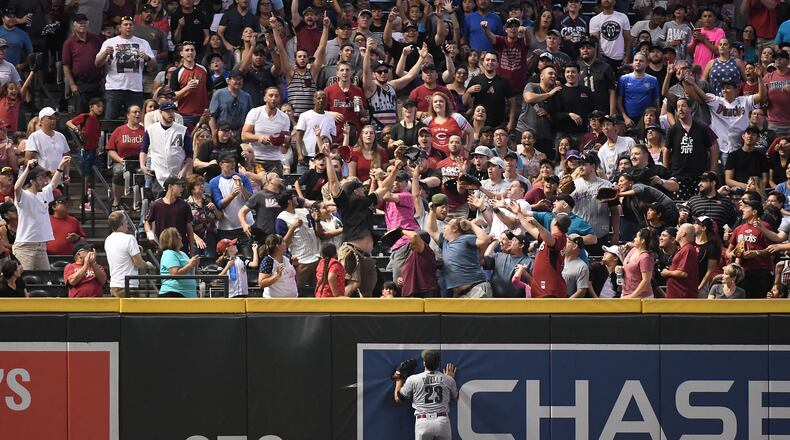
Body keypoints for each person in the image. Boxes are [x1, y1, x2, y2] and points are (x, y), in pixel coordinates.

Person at [322, 142, 400, 297]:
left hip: (366, 255)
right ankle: (337, 310)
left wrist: (396, 170)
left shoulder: (365, 202)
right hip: (351, 250)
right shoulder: (344, 202)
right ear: (354, 191)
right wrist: (328, 159)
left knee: (368, 290)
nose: (363, 188)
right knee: (353, 285)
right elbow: (332, 182)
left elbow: (383, 188)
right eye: (360, 187)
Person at [95, 15, 157, 120]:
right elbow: (97, 63)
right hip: (114, 88)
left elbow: (154, 65)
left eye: (130, 25)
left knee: (135, 120)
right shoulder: (110, 42)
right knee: (110, 119)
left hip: (134, 88)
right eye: (125, 24)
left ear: (134, 27)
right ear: (119, 28)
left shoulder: (143, 43)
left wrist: (147, 58)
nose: (128, 27)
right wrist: (105, 53)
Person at [13, 157, 69, 270]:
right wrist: (28, 169)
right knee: (25, 278)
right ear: (32, 181)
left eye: (44, 178)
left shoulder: (43, 194)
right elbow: (16, 188)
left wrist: (61, 166)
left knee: (46, 279)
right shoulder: (24, 195)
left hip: (41, 245)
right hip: (25, 245)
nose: (44, 181)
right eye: (41, 178)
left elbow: (53, 184)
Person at [393, 350, 458, 440]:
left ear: (424, 363)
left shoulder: (413, 379)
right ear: (438, 363)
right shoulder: (448, 379)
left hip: (423, 422)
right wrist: (450, 379)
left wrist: (398, 378)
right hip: (442, 421)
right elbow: (455, 397)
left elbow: (398, 398)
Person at [665, 97, 718, 200]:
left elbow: (713, 146)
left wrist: (713, 169)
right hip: (679, 175)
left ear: (690, 109)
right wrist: (667, 172)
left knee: (699, 205)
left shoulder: (702, 128)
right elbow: (666, 150)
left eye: (683, 106)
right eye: (678, 107)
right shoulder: (673, 129)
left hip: (699, 176)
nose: (680, 109)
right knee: (680, 207)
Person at [140, 100, 194, 192]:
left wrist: (184, 170)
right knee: (158, 202)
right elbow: (143, 149)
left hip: (177, 173)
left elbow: (190, 154)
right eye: (168, 111)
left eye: (172, 111)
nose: (171, 114)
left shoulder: (182, 130)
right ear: (160, 112)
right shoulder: (151, 129)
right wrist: (142, 165)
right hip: (158, 173)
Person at [572, 151, 620, 254]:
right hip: (578, 235)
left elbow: (615, 211)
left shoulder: (606, 185)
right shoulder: (572, 185)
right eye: (579, 164)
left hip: (600, 234)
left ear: (593, 166)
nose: (580, 167)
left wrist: (616, 233)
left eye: (584, 164)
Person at [727, 199, 773, 299]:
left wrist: (756, 253)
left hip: (759, 272)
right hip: (741, 273)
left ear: (754, 212)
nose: (742, 209)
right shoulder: (738, 228)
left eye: (746, 207)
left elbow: (772, 251)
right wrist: (736, 253)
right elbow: (728, 252)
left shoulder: (764, 226)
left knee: (758, 305)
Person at [242, 86, 292, 176]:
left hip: (275, 159)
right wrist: (258, 137)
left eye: (276, 96)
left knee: (275, 187)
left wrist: (283, 139)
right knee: (256, 188)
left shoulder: (284, 117)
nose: (273, 98)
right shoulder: (254, 112)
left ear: (280, 99)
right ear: (265, 98)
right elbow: (244, 136)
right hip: (256, 158)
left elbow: (286, 140)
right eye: (271, 95)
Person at [520, 212, 571, 298]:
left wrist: (538, 225)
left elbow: (552, 241)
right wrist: (518, 213)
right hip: (543, 288)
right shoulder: (550, 237)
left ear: (554, 222)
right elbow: (531, 229)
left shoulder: (559, 237)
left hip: (550, 289)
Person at [62, 14, 104, 114]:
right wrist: (72, 84)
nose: (82, 24)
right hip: (80, 83)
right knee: (81, 114)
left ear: (88, 23)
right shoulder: (69, 43)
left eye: (84, 22)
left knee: (98, 113)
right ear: (74, 25)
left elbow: (104, 59)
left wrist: (104, 78)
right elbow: (65, 65)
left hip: (97, 82)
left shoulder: (96, 40)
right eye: (79, 22)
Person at [463, 52, 516, 131]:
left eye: (493, 60)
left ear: (498, 64)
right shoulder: (475, 80)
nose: (490, 62)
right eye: (487, 60)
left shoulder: (504, 81)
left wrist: (511, 121)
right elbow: (464, 102)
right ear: (483, 62)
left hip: (498, 124)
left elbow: (512, 102)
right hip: (479, 125)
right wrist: (468, 91)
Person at [107, 105, 145, 210]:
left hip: (140, 161)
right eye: (134, 112)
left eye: (139, 112)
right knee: (118, 172)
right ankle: (116, 201)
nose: (137, 114)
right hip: (122, 161)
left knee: (143, 173)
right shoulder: (119, 130)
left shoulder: (145, 131)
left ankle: (139, 202)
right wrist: (120, 160)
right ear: (128, 115)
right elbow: (110, 149)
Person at [144, 176, 195, 253]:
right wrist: (149, 233)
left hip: (181, 248)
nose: (182, 188)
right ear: (170, 187)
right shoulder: (156, 205)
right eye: (179, 186)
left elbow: (189, 228)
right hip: (163, 247)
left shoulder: (184, 206)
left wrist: (192, 249)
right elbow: (147, 221)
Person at [105, 210, 148, 297]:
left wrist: (136, 249)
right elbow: (139, 263)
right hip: (128, 285)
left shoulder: (108, 240)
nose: (127, 224)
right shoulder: (129, 239)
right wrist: (147, 265)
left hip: (114, 284)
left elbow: (120, 254)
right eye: (126, 222)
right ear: (121, 224)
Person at [617, 53, 660, 127]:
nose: (638, 62)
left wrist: (656, 119)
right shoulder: (624, 79)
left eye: (641, 61)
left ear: (646, 64)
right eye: (636, 60)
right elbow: (619, 101)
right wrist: (625, 117)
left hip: (647, 119)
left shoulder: (653, 80)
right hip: (629, 119)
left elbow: (656, 102)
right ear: (633, 62)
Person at [577, 36, 617, 116]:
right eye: (582, 48)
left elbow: (612, 90)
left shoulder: (605, 67)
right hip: (581, 111)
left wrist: (612, 113)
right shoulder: (576, 66)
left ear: (595, 49)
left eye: (588, 48)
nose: (585, 50)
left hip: (601, 110)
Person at [24, 108, 71, 174]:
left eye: (54, 118)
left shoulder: (61, 136)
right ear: (41, 120)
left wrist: (66, 174)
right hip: (43, 179)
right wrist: (47, 173)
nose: (53, 121)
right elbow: (28, 160)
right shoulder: (34, 136)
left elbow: (66, 157)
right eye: (50, 118)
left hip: (59, 178)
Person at [588, 0, 631, 70]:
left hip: (619, 57)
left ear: (614, 2)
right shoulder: (594, 20)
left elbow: (628, 39)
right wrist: (598, 58)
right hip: (602, 58)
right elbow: (594, 42)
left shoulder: (623, 17)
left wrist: (627, 57)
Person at [158, 226, 200, 297]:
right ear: (172, 239)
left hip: (187, 295)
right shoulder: (169, 253)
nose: (181, 237)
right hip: (173, 294)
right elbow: (175, 274)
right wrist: (190, 265)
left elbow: (187, 270)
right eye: (178, 235)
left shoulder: (182, 253)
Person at [724, 125, 769, 190]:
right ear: (743, 136)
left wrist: (756, 187)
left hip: (756, 189)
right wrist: (746, 186)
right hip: (737, 189)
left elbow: (765, 180)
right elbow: (728, 180)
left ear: (758, 138)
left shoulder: (762, 157)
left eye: (753, 134)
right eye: (748, 133)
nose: (750, 136)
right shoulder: (733, 155)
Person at [661, 223, 699, 298]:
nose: (676, 233)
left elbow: (683, 273)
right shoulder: (684, 249)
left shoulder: (688, 249)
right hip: (676, 295)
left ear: (683, 234)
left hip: (682, 296)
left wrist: (667, 272)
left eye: (678, 231)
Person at [399, 229, 440, 298]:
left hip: (425, 293)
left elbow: (414, 236)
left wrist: (401, 231)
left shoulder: (426, 251)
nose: (410, 242)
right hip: (412, 295)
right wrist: (401, 279)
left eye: (411, 240)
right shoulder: (412, 255)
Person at [258, 233, 299, 298]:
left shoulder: (287, 257)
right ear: (278, 246)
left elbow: (292, 276)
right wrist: (276, 276)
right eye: (283, 241)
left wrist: (296, 265)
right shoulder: (268, 261)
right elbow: (261, 283)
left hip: (292, 300)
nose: (285, 243)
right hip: (275, 302)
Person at [621, 228, 654, 298]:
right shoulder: (633, 250)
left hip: (641, 297)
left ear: (642, 241)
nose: (634, 239)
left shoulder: (645, 257)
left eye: (636, 237)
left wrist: (632, 296)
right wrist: (620, 269)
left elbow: (646, 280)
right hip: (625, 293)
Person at [563, 233, 589, 298]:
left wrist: (566, 303)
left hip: (566, 301)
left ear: (574, 246)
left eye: (567, 242)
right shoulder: (558, 259)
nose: (564, 243)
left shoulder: (582, 267)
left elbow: (581, 291)